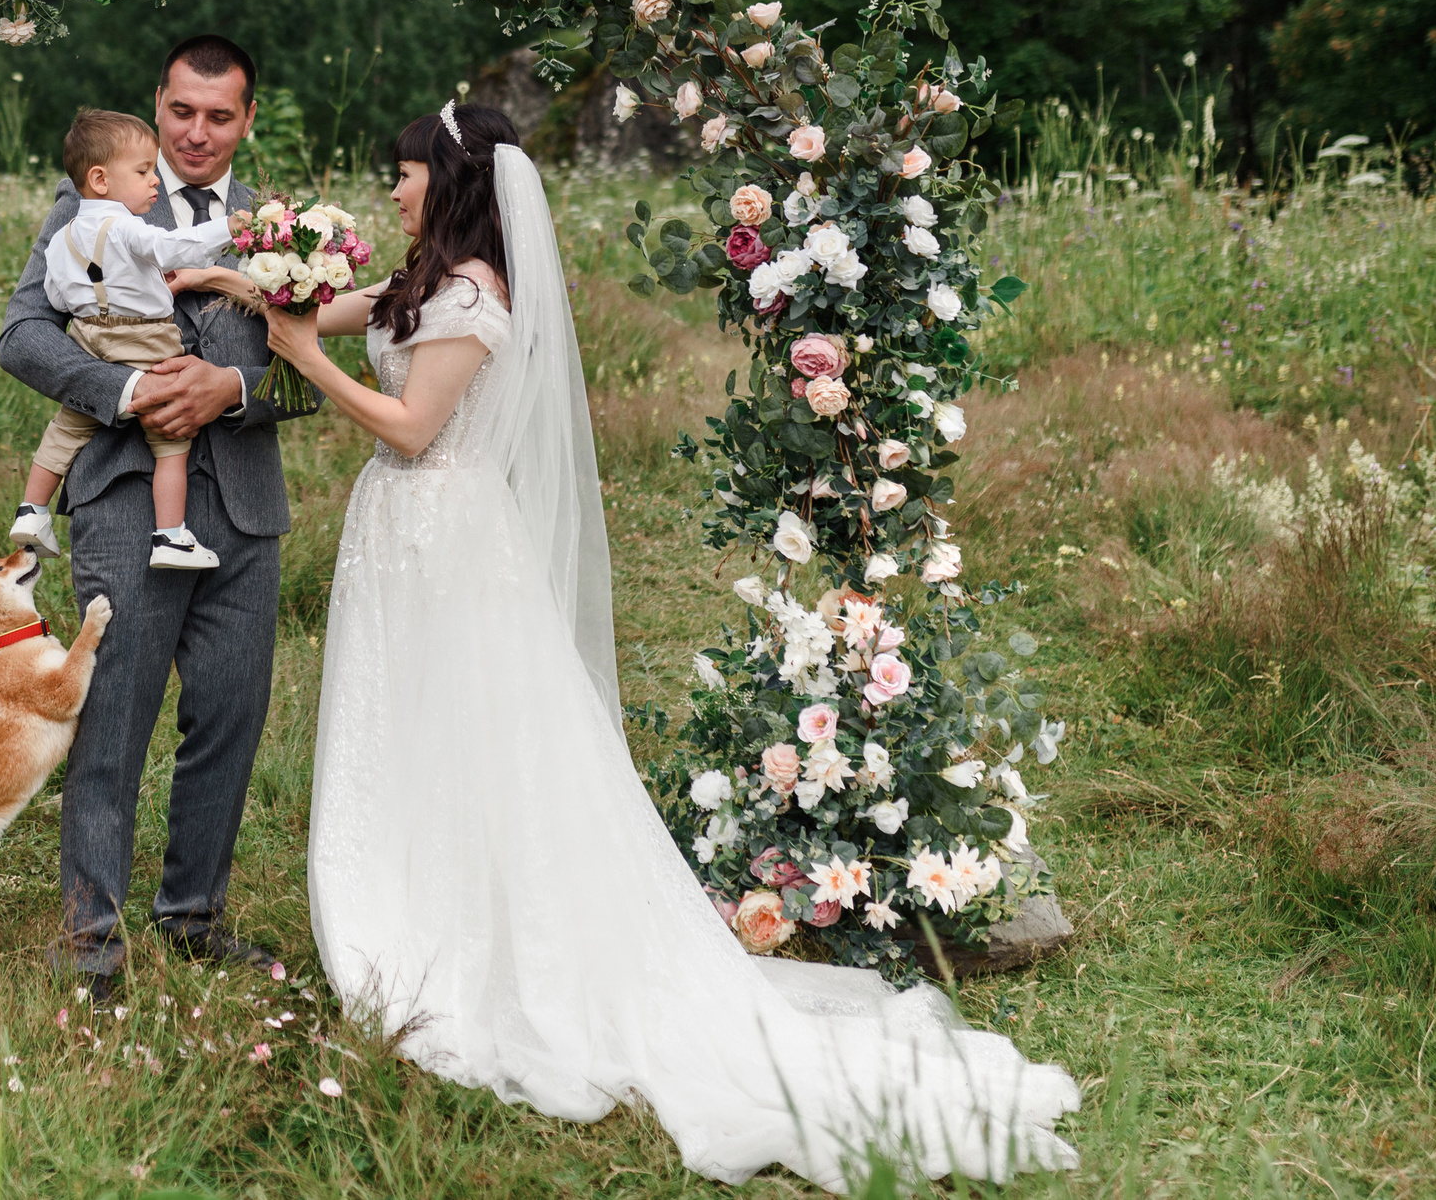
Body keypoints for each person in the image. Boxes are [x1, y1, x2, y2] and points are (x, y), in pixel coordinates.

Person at [185, 101, 1081, 1191]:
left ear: (455, 179)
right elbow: (324, 309)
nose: (396, 188)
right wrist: (234, 283)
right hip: (398, 539)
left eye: (409, 171)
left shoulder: (473, 296)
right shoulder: (425, 278)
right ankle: (410, 888)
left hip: (448, 530)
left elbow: (413, 427)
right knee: (412, 722)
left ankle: (475, 936)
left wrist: (295, 359)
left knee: (474, 730)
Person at [0, 34, 306, 1001]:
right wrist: (125, 389)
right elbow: (21, 335)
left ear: (249, 120)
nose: (198, 133)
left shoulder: (275, 223)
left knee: (228, 717)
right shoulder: (94, 201)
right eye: (181, 112)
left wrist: (235, 388)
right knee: (114, 716)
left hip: (245, 508)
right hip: (128, 495)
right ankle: (92, 937)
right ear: (158, 104)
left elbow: (312, 371)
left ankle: (194, 916)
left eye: (221, 116)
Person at [11, 108, 239, 571]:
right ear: (100, 179)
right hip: (146, 342)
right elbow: (175, 249)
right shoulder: (126, 226)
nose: (154, 179)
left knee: (66, 428)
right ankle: (171, 536)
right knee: (170, 443)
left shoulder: (64, 239)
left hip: (90, 338)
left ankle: (32, 511)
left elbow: (56, 295)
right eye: (142, 171)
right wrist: (231, 228)